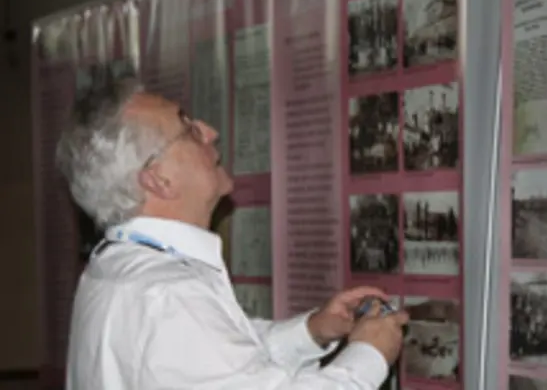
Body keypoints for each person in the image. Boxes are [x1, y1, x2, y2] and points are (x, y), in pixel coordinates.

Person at [56, 75, 409, 389]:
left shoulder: (117, 267)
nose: (210, 132)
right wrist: (370, 353)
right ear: (158, 179)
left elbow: (216, 363)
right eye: (188, 129)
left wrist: (311, 332)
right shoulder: (169, 297)